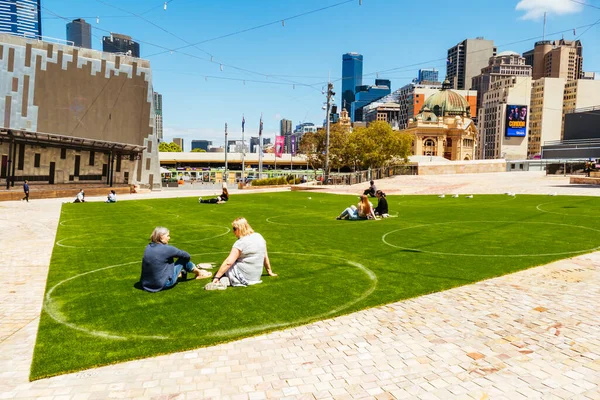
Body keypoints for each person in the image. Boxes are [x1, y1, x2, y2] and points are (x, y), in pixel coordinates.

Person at [206, 217, 276, 290]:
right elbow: (265, 256)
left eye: (234, 229)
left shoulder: (240, 243)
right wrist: (269, 271)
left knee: (227, 267)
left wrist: (216, 276)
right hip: (256, 276)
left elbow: (228, 262)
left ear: (240, 228)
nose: (233, 231)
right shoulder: (259, 236)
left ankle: (224, 280)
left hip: (244, 275)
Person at [140, 227, 211, 292]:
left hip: (146, 284)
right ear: (161, 237)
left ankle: (180, 272)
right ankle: (199, 273)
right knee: (183, 259)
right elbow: (187, 256)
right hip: (163, 284)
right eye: (167, 236)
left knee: (165, 260)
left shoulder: (148, 247)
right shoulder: (168, 249)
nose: (169, 238)